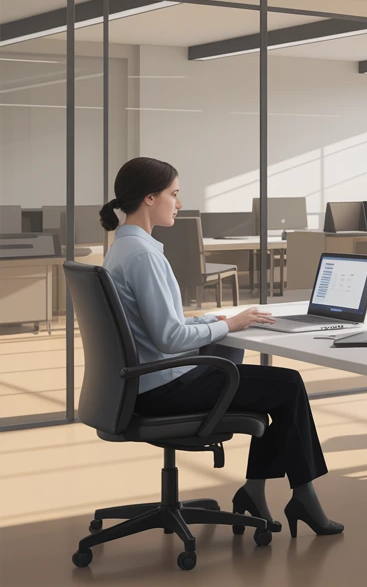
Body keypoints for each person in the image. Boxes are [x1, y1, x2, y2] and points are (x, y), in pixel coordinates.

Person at [99, 157, 342, 538]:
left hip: (138, 384)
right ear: (149, 198)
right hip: (162, 389)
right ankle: (300, 497)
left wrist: (217, 322)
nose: (178, 204)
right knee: (289, 385)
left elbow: (161, 326)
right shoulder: (145, 256)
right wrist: (228, 324)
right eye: (173, 195)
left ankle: (258, 492)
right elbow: (170, 338)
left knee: (271, 389)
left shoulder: (121, 250)